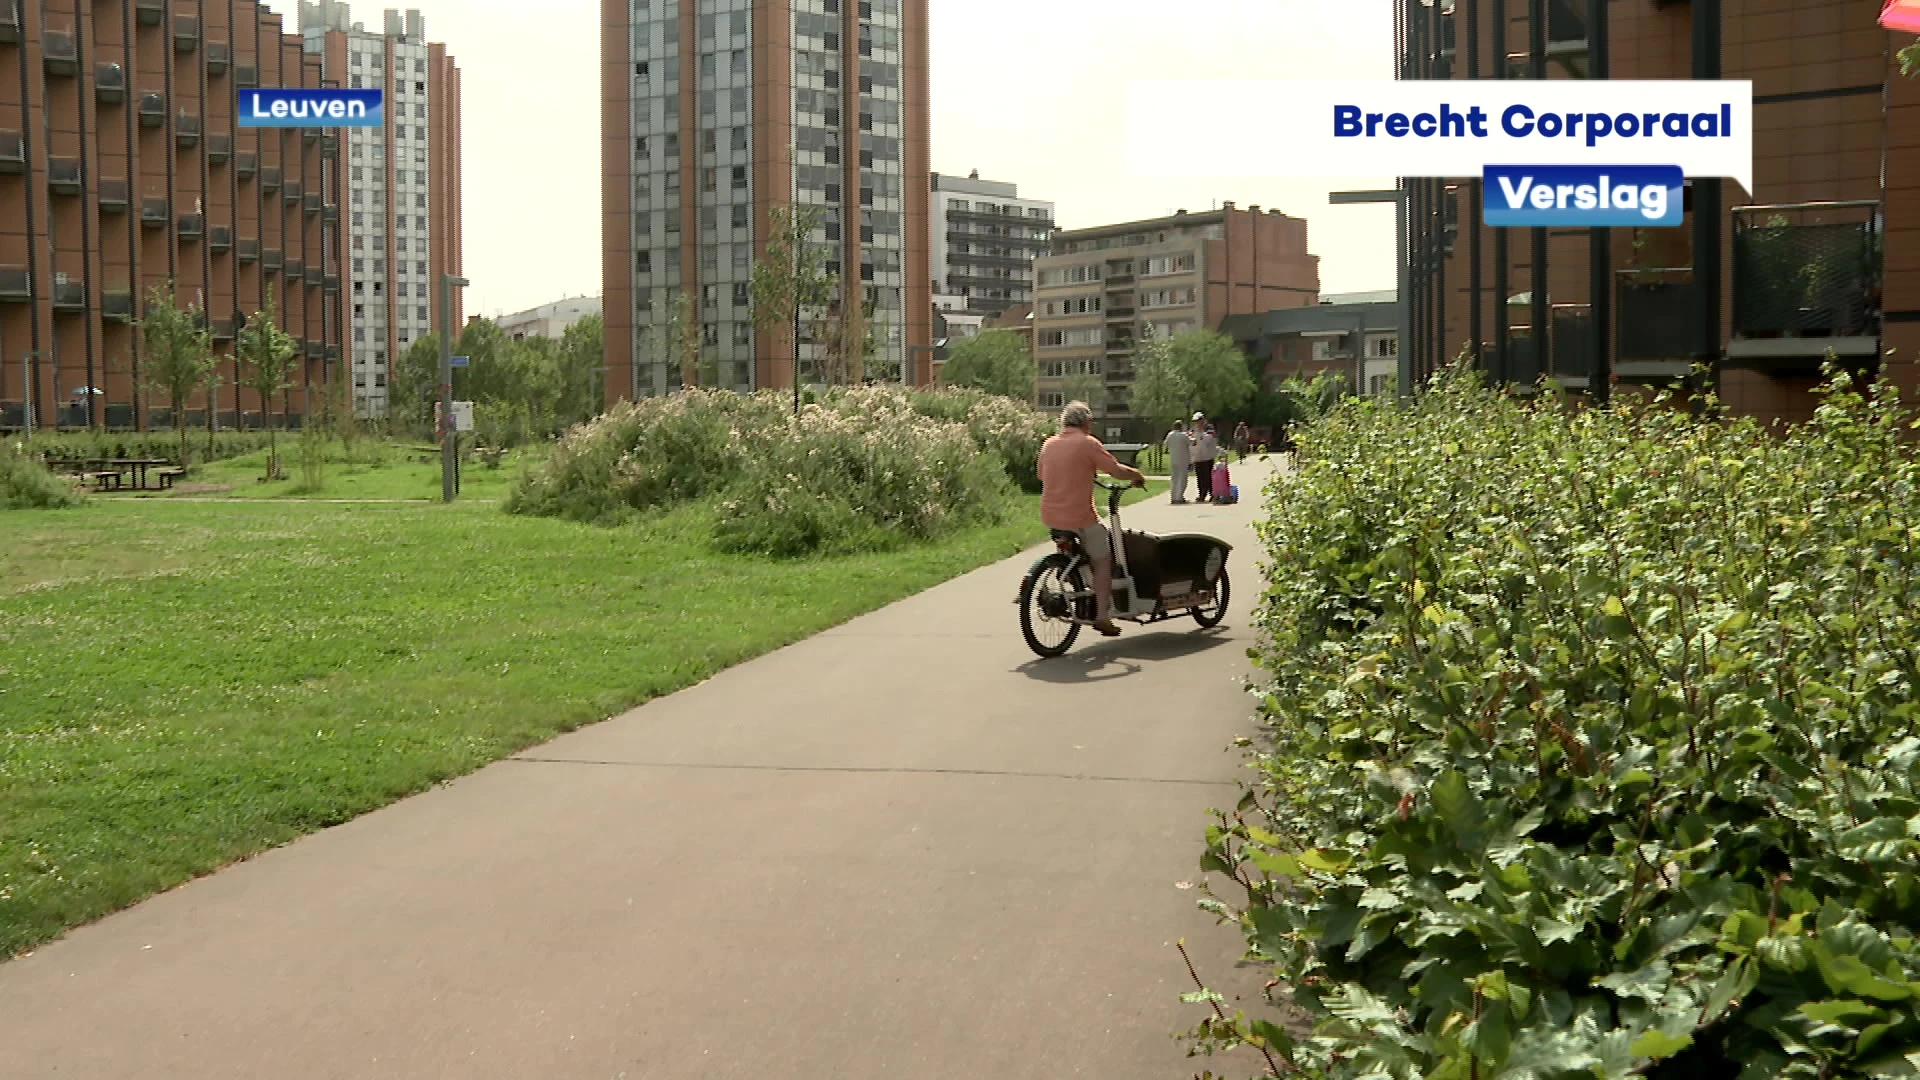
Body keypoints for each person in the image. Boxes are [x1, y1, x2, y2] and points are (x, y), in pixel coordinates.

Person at [1038, 401, 1146, 636]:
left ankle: (1073, 576)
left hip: (1051, 516)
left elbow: (1040, 474)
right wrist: (1136, 475)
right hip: (1080, 517)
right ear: (1087, 422)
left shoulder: (1049, 444)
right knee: (1103, 558)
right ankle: (1102, 616)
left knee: (1079, 551)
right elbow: (1116, 471)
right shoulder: (1088, 443)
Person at [1164, 420, 1192, 504]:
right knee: (1182, 478)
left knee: (1174, 478)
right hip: (1183, 459)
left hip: (1173, 459)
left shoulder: (1170, 435)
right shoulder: (1183, 435)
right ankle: (1179, 497)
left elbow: (1166, 444)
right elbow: (1191, 442)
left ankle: (1173, 496)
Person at [1193, 422, 1219, 504]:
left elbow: (1207, 440)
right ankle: (1202, 495)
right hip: (1198, 458)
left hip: (1207, 458)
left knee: (1208, 478)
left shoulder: (1209, 432)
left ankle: (1212, 494)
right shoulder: (1196, 432)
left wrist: (1200, 433)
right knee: (1200, 478)